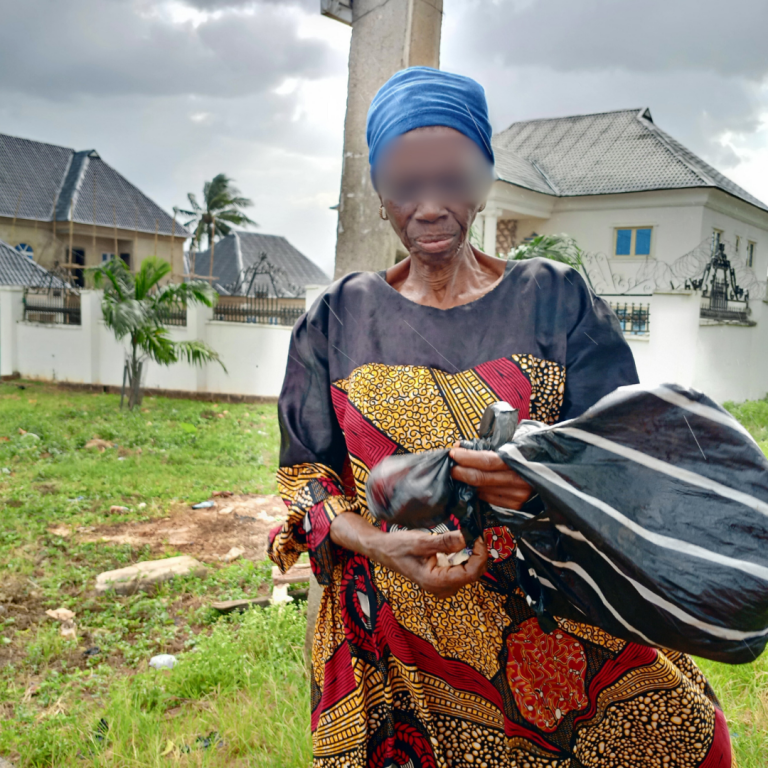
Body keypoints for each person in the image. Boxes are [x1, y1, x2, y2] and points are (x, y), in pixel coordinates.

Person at [269, 67, 732, 768]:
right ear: (377, 185)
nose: (428, 206)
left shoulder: (554, 299)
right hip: (397, 644)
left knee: (685, 737)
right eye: (404, 181)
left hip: (549, 617)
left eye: (453, 177)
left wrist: (538, 485)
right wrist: (378, 542)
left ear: (485, 172)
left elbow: (616, 455)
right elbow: (307, 479)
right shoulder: (336, 319)